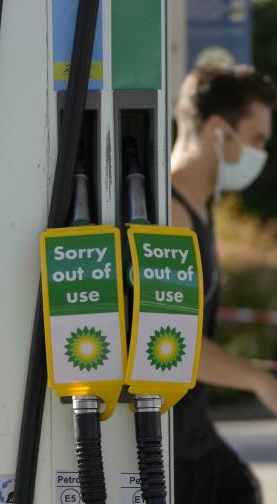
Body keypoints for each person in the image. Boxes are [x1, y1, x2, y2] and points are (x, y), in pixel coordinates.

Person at [170, 65, 277, 504]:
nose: (261, 152)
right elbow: (170, 339)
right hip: (167, 445)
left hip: (191, 436)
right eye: (256, 140)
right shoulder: (169, 217)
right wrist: (258, 381)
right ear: (217, 130)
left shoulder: (200, 208)